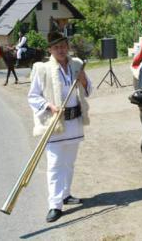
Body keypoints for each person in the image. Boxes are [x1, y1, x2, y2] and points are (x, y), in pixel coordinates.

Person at [27, 31, 93, 223]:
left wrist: (83, 79)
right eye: (56, 47)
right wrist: (50, 106)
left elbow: (88, 90)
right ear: (50, 50)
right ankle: (54, 205)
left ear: (67, 47)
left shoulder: (76, 65)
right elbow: (33, 96)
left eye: (63, 46)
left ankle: (65, 194)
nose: (61, 50)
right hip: (55, 124)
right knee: (55, 165)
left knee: (69, 163)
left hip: (74, 122)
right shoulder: (42, 69)